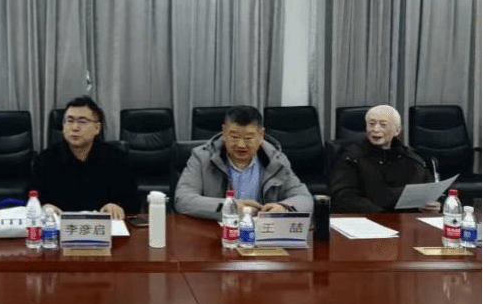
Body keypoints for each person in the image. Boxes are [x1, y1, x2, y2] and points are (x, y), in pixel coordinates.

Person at [174, 105, 313, 220]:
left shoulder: (276, 161)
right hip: (215, 235)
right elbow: (182, 199)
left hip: (261, 236)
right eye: (234, 136)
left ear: (261, 135)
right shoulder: (202, 157)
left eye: (248, 138)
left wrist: (283, 208)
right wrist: (230, 207)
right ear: (224, 132)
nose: (241, 145)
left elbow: (304, 198)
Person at [29, 96, 139, 220]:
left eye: (82, 121)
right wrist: (45, 207)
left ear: (97, 128)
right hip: (58, 228)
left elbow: (133, 202)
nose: (74, 127)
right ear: (63, 126)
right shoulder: (45, 159)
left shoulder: (116, 158)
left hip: (105, 227)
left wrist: (117, 207)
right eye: (69, 121)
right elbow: (32, 198)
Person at [330, 104, 439, 213]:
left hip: (406, 220)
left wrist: (434, 205)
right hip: (368, 218)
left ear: (397, 130)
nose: (375, 129)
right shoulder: (351, 157)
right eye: (371, 124)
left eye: (383, 125)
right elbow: (343, 197)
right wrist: (383, 216)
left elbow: (429, 192)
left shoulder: (412, 159)